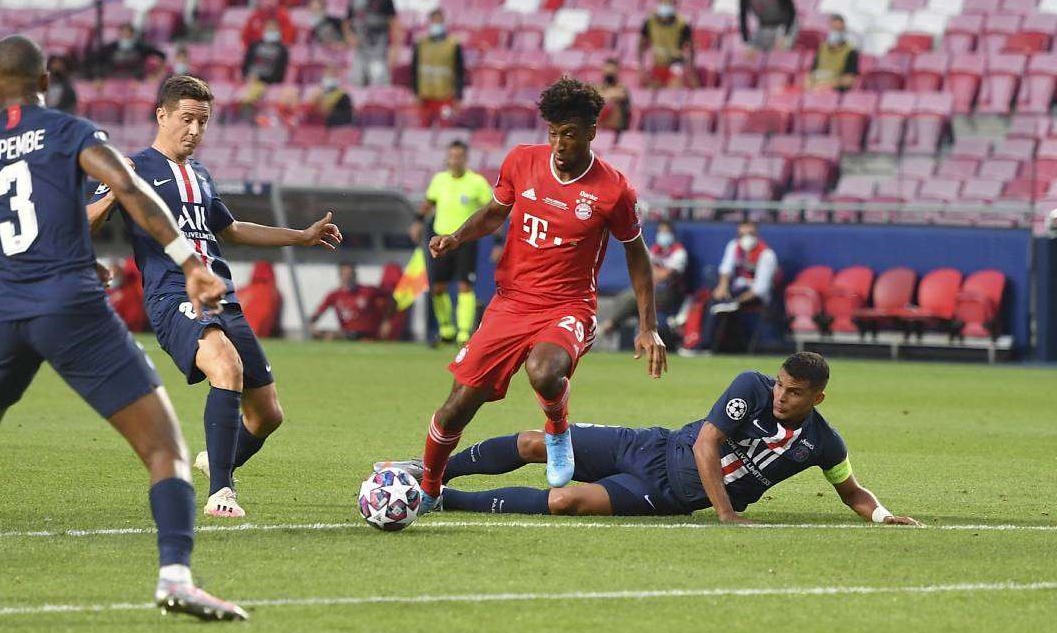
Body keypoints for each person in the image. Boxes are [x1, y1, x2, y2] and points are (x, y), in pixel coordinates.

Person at [0, 36, 246, 620]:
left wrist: (45, 258)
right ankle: (175, 577)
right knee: (165, 447)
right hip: (71, 307)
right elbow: (129, 188)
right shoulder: (69, 131)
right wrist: (191, 262)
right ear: (46, 78)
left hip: (7, 312)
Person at [399, 77, 669, 516]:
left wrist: (648, 326)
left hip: (568, 306)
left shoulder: (614, 189)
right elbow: (493, 214)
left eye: (571, 134)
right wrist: (455, 237)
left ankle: (558, 430)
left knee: (543, 371)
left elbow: (637, 257)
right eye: (554, 133)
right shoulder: (522, 161)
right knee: (455, 408)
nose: (560, 144)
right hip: (509, 304)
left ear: (591, 133)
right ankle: (429, 492)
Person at [86, 75, 342, 519]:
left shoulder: (200, 175)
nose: (195, 131)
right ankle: (220, 493)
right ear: (161, 115)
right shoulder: (133, 167)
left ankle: (215, 460)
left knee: (267, 416)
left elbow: (232, 229)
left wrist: (301, 236)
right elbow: (83, 222)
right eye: (187, 119)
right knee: (225, 366)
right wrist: (114, 193)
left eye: (203, 123)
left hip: (222, 298)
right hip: (172, 295)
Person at [378, 353, 922, 527]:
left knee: (567, 500)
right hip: (651, 447)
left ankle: (441, 499)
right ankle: (426, 469)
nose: (781, 397)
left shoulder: (821, 443)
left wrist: (880, 515)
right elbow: (708, 444)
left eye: (794, 392)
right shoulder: (751, 388)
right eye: (781, 385)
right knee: (536, 441)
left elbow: (851, 491)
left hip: (665, 496)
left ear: (816, 399)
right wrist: (727, 513)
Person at [410, 140, 491, 346]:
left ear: (466, 159)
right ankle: (446, 330)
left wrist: (498, 240)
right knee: (437, 286)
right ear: (448, 158)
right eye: (452, 156)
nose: (455, 160)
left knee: (465, 285)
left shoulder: (477, 182)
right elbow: (429, 201)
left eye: (459, 156)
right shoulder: (439, 180)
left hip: (465, 240)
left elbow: (491, 210)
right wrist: (418, 221)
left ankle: (464, 333)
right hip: (441, 238)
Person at [693, 220, 778, 354]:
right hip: (734, 289)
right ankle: (702, 343)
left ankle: (705, 345)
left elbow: (760, 289)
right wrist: (722, 286)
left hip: (753, 296)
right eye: (742, 234)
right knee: (712, 289)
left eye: (750, 234)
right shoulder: (734, 246)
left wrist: (735, 301)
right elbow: (726, 269)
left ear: (757, 234)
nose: (746, 238)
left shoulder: (766, 255)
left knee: (716, 305)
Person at [600, 220, 686, 347]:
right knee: (624, 297)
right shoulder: (655, 249)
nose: (663, 235)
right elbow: (644, 270)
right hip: (652, 288)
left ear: (672, 234)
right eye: (661, 232)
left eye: (666, 232)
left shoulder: (679, 252)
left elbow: (664, 275)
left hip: (668, 293)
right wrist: (654, 272)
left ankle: (609, 325)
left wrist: (653, 272)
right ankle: (613, 327)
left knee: (634, 297)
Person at [345, 0, 400, 87]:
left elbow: (394, 24)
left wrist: (395, 49)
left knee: (378, 86)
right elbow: (347, 22)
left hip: (379, 51)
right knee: (357, 84)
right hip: (361, 51)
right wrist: (350, 37)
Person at [411, 9, 465, 128]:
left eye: (439, 21)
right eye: (433, 21)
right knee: (423, 129)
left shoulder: (453, 44)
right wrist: (415, 92)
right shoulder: (421, 44)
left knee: (446, 126)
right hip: (425, 96)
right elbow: (414, 70)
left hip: (445, 96)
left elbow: (460, 71)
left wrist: (458, 96)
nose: (436, 24)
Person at [309, 263, 389, 340]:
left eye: (350, 274)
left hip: (368, 333)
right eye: (345, 274)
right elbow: (318, 313)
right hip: (348, 333)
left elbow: (391, 297)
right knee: (325, 335)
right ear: (340, 276)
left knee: (333, 336)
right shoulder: (335, 295)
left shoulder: (368, 290)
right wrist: (309, 324)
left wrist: (386, 321)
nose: (348, 277)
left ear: (355, 275)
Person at [640, 0, 698, 89]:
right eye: (663, 2)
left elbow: (691, 47)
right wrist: (640, 66)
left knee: (672, 92)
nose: (665, 5)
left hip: (676, 63)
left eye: (668, 3)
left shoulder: (682, 23)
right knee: (651, 92)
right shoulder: (650, 22)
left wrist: (691, 69)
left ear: (673, 4)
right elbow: (641, 44)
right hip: (658, 64)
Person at [807, 14, 859, 92]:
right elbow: (811, 73)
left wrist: (825, 87)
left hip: (834, 92)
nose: (836, 32)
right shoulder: (822, 49)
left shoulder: (851, 51)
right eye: (834, 28)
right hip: (816, 89)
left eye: (839, 29)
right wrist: (810, 86)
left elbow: (849, 80)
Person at [93, 24, 165, 79]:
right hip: (113, 78)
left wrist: (156, 74)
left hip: (136, 79)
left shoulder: (140, 46)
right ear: (120, 33)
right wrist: (98, 77)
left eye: (128, 33)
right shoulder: (111, 47)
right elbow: (97, 60)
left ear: (132, 34)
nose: (125, 35)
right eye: (123, 33)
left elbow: (161, 55)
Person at [242, 18, 290, 85]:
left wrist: (261, 79)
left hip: (269, 83)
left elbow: (280, 72)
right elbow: (246, 64)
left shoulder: (282, 49)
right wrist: (247, 76)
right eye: (269, 30)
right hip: (250, 79)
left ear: (279, 31)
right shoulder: (254, 45)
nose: (271, 32)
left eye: (273, 30)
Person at [597, 59, 631, 132]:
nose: (610, 73)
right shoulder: (599, 87)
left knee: (612, 104)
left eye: (612, 71)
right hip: (600, 126)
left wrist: (606, 95)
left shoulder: (622, 88)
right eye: (608, 71)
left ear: (617, 71)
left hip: (617, 127)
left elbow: (620, 95)